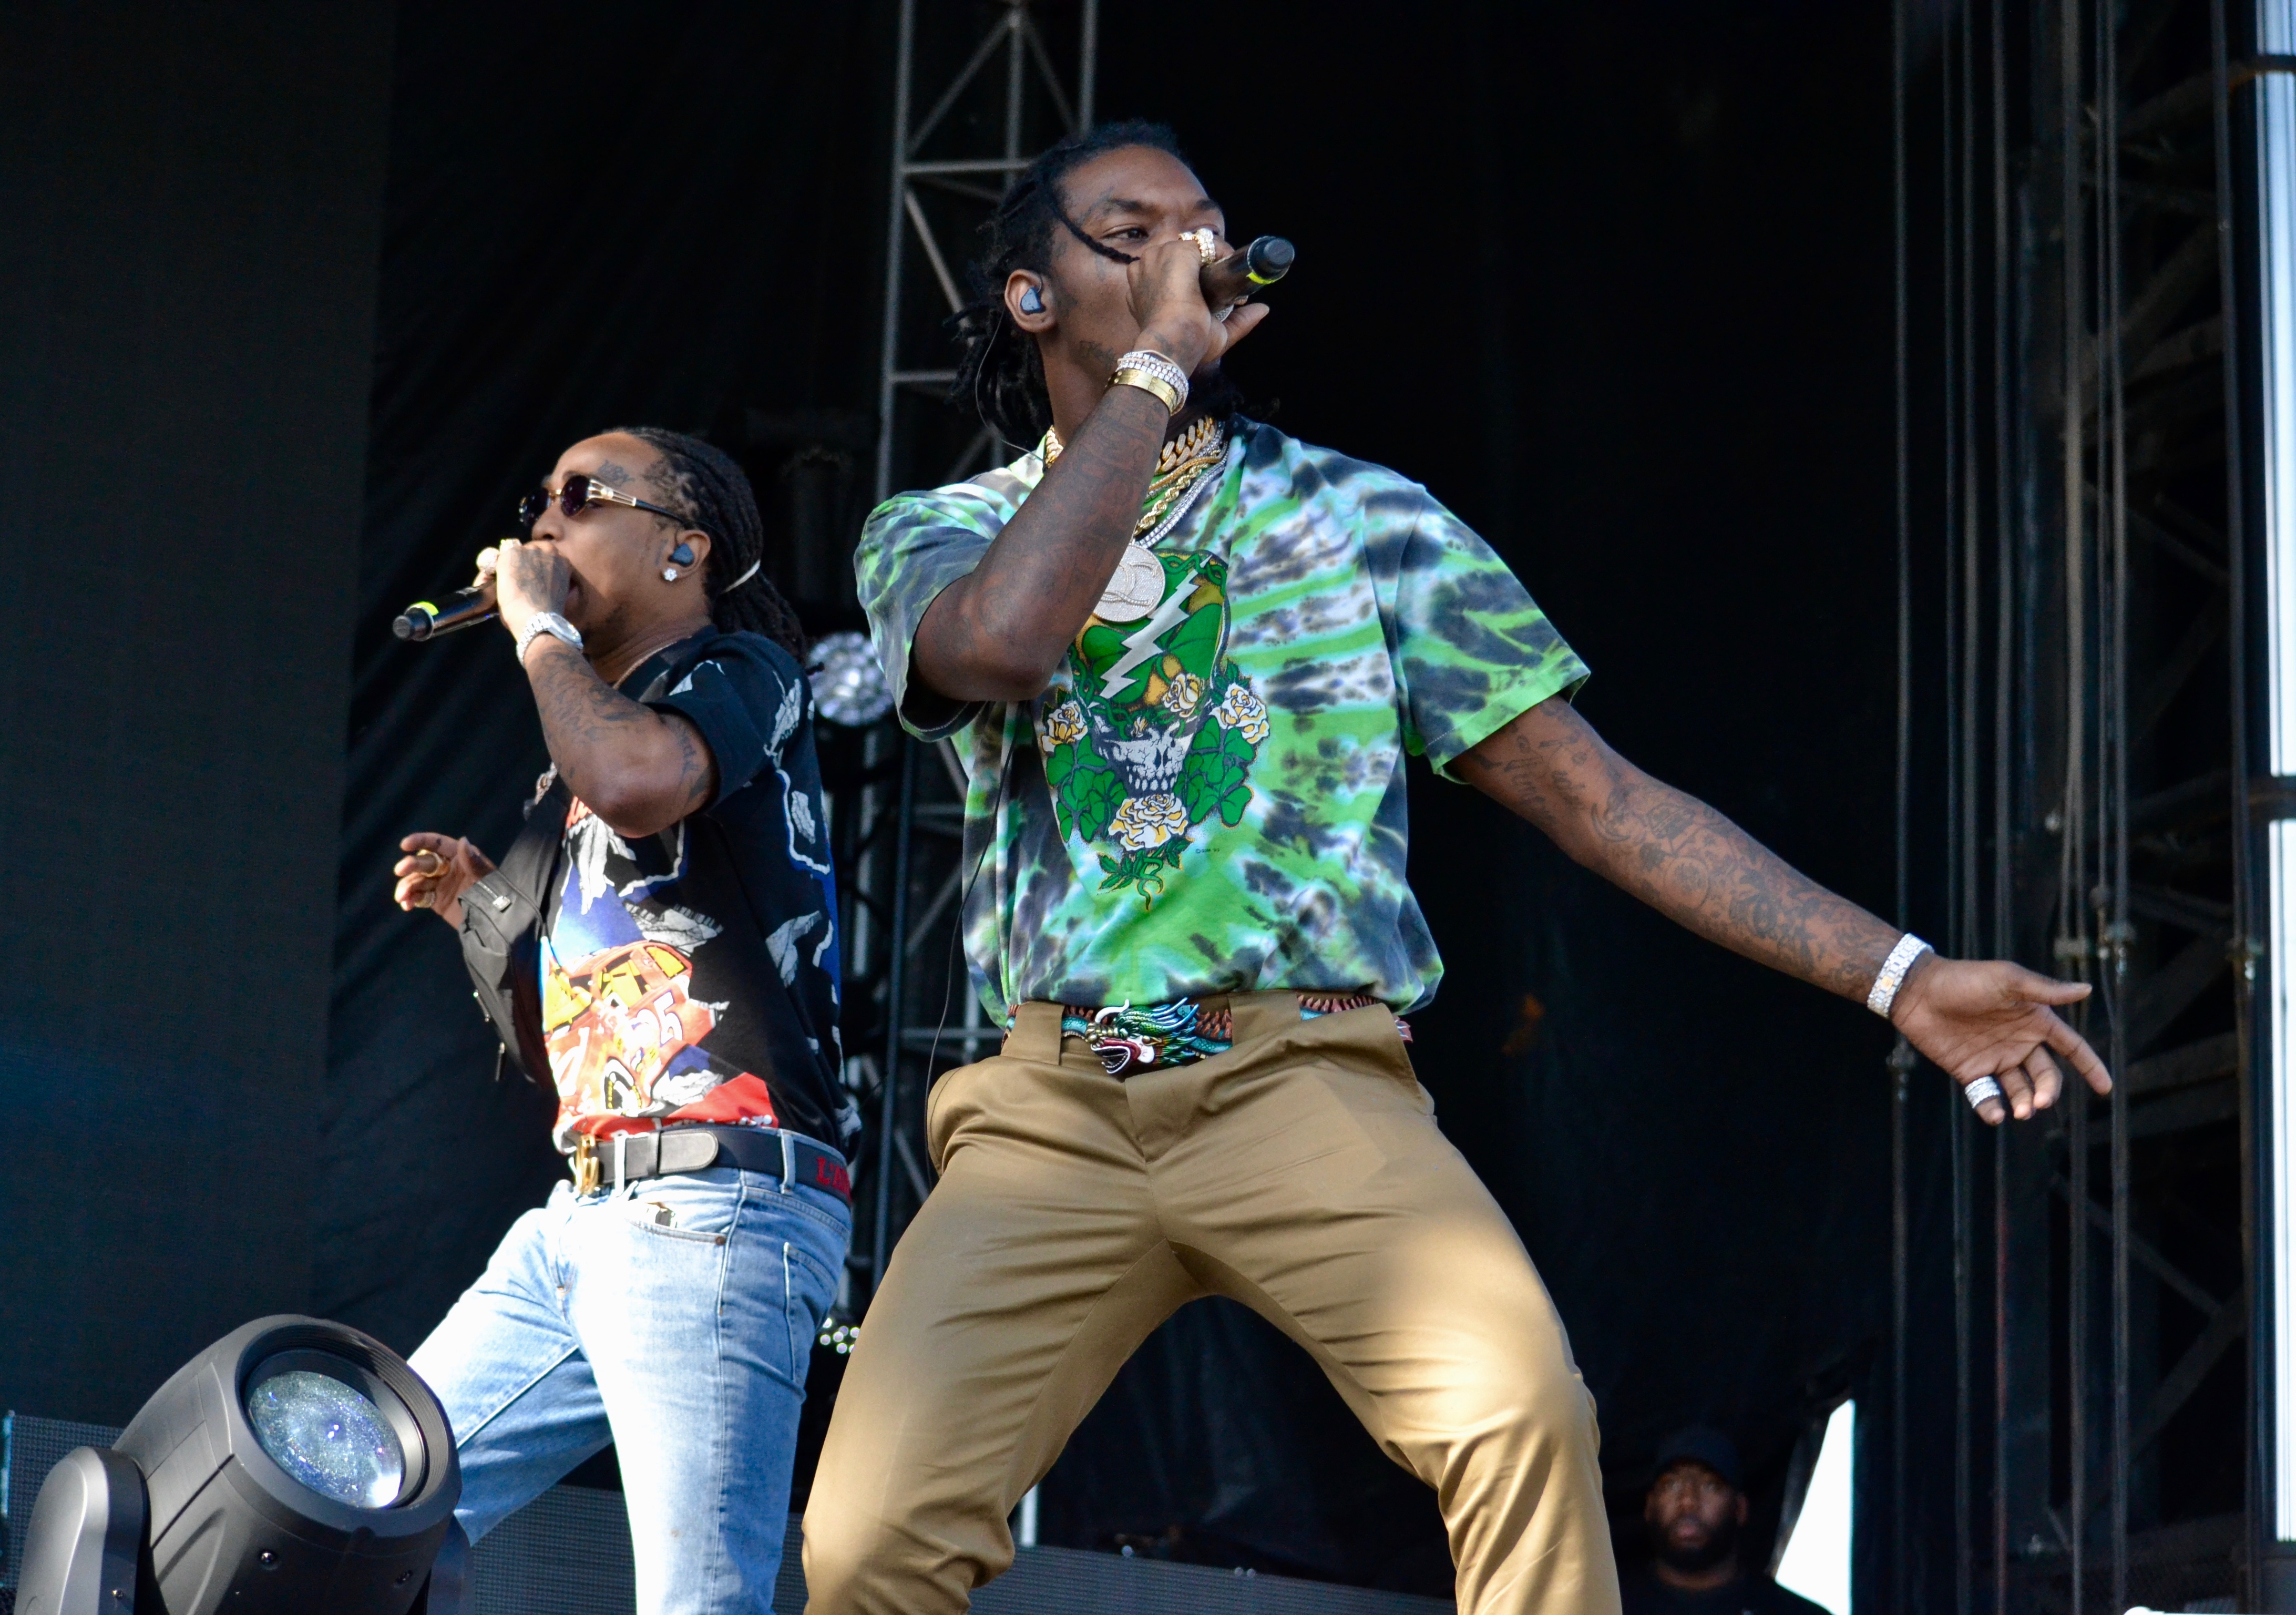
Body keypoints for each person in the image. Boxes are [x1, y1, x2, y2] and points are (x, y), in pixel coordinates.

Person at [809, 120, 2108, 1615]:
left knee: (1520, 1421)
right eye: (1128, 235)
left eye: (1206, 230)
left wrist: (1903, 975)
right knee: (865, 1545)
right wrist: (1157, 372)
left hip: (1303, 1080)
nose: (1185, 257)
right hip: (1051, 1106)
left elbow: (1602, 802)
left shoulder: (1367, 522)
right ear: (1031, 298)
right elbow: (1005, 644)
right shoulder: (939, 532)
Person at [388, 428, 857, 1615]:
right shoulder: (574, 760)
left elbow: (643, 781)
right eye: (536, 499)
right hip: (582, 1217)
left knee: (696, 1603)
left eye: (580, 496)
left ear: (681, 550)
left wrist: (539, 630)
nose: (543, 522)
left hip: (717, 1206)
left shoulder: (741, 673)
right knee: (369, 1496)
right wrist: (477, 912)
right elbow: (575, 1025)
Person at [1623, 1428, 1828, 1615]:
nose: (1688, 1501)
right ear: (1649, 1506)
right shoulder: (1605, 1603)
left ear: (1739, 1508)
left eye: (1710, 1486)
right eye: (1672, 1485)